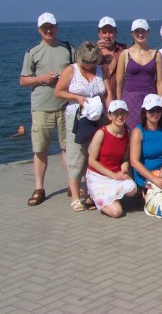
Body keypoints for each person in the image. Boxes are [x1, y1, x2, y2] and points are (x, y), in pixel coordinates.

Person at [21, 13, 75, 207]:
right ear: (39, 30)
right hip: (41, 107)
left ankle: (72, 185)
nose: (48, 30)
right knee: (40, 149)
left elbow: (76, 71)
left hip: (65, 106)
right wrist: (41, 79)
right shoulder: (33, 51)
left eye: (51, 26)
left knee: (67, 148)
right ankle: (39, 188)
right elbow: (23, 80)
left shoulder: (68, 49)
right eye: (44, 27)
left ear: (56, 27)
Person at [55, 41, 112, 211]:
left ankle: (91, 194)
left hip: (98, 117)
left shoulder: (102, 70)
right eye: (86, 62)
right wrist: (76, 97)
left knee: (95, 155)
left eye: (93, 61)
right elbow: (58, 91)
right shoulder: (71, 70)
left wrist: (111, 112)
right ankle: (75, 196)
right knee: (76, 156)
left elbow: (108, 93)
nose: (89, 65)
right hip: (77, 118)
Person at [86, 100, 137, 217]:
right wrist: (113, 175)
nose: (120, 116)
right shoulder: (101, 133)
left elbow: (125, 159)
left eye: (123, 113)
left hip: (115, 173)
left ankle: (112, 197)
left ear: (127, 114)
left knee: (132, 189)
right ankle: (94, 197)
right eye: (116, 113)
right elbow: (92, 161)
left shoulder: (127, 133)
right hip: (98, 175)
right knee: (117, 212)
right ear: (109, 116)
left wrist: (123, 171)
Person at [116, 19, 162, 131]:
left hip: (150, 97)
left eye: (143, 31)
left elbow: (160, 82)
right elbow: (119, 82)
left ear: (148, 32)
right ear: (132, 33)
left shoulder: (156, 54)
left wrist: (160, 104)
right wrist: (119, 103)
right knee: (130, 130)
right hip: (130, 98)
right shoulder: (125, 54)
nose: (140, 34)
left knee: (150, 128)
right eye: (137, 31)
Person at [97, 16, 127, 95]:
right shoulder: (92, 53)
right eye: (104, 32)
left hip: (121, 97)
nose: (107, 36)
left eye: (110, 32)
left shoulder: (125, 50)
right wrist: (94, 52)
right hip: (99, 98)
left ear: (116, 33)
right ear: (99, 34)